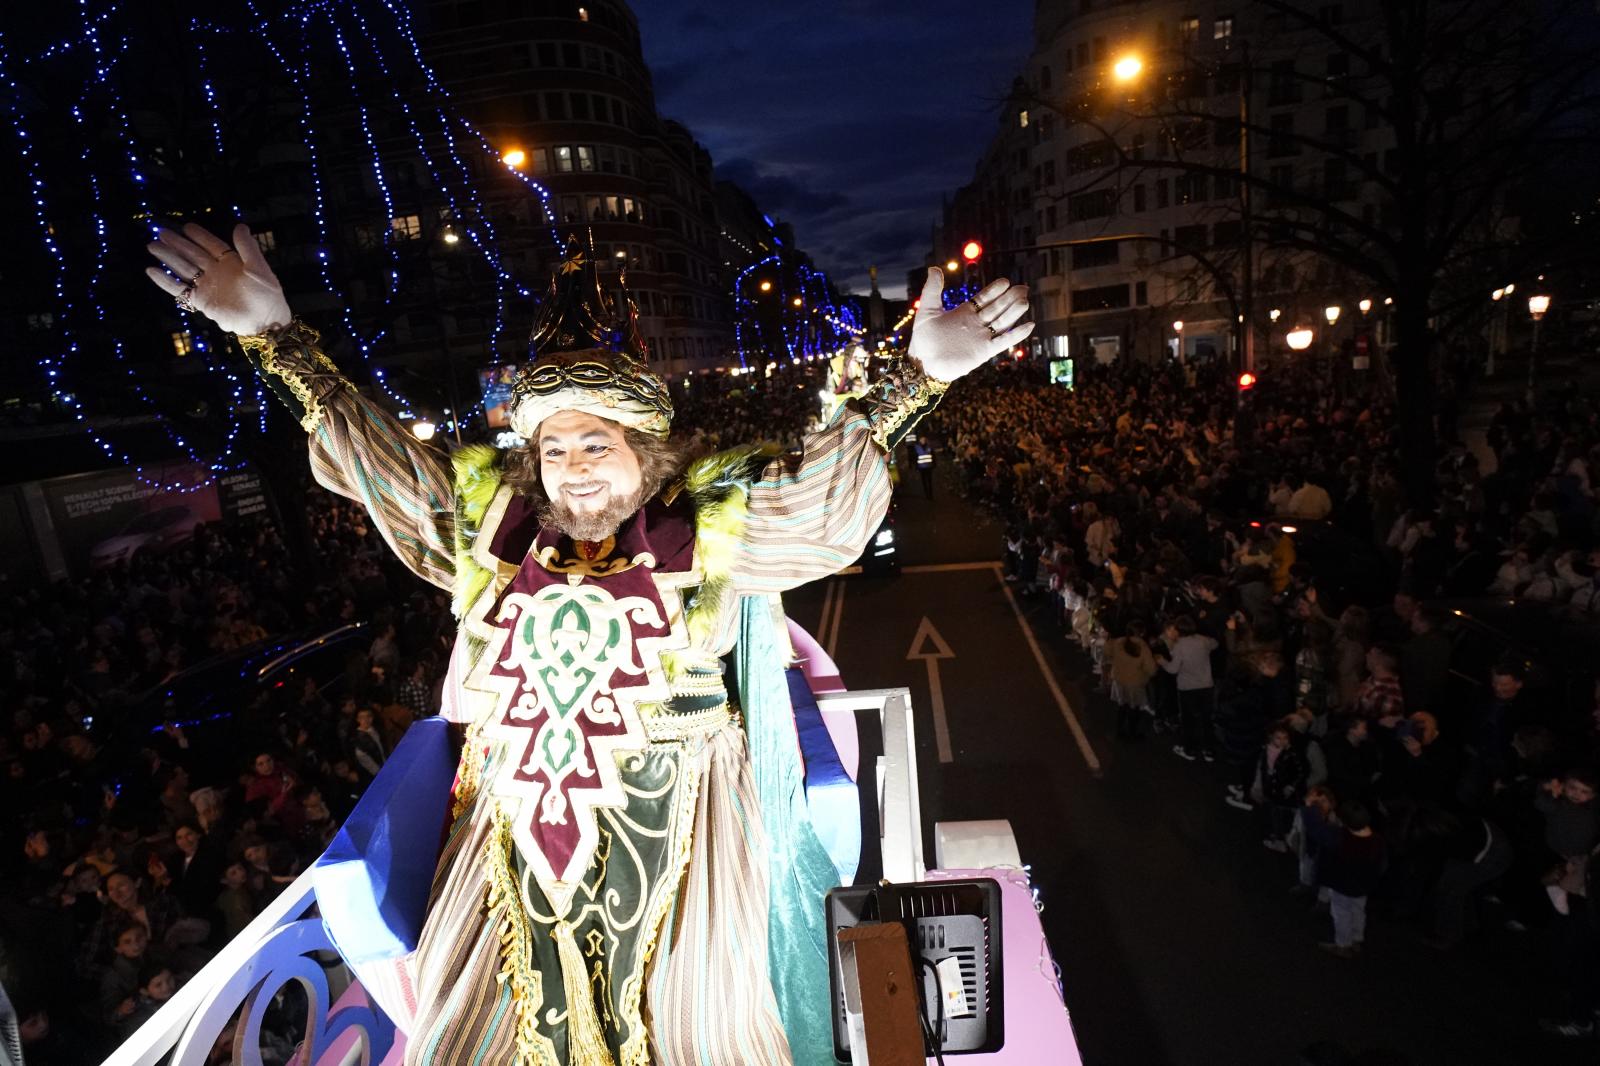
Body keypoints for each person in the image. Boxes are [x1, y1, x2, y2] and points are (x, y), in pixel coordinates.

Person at [146, 223, 1032, 1064]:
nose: (573, 465)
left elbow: (823, 514)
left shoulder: (709, 525)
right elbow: (382, 468)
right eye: (555, 446)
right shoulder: (490, 529)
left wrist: (916, 381)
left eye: (596, 442)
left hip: (685, 838)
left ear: (644, 451)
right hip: (509, 839)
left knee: (698, 1026)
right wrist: (277, 338)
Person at [1303, 798, 1386, 958]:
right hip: (1364, 886)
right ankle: (1356, 939)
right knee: (1358, 910)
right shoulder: (1377, 840)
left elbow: (1317, 830)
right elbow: (1382, 864)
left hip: (1342, 885)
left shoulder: (1340, 837)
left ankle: (1342, 944)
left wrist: (1312, 808)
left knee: (1341, 913)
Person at [1158, 615, 1219, 762]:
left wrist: (1162, 661)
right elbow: (1215, 643)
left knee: (1188, 720)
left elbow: (1173, 669)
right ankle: (1208, 750)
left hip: (1187, 688)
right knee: (1206, 719)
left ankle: (1190, 750)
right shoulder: (1203, 640)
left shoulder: (1180, 646)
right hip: (1206, 685)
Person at [1107, 621, 1157, 741]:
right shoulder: (1143, 647)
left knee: (1122, 706)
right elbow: (1151, 669)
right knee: (1134, 708)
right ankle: (1132, 733)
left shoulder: (1118, 642)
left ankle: (1120, 731)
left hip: (1119, 680)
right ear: (1142, 632)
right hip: (1135, 683)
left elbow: (1107, 651)